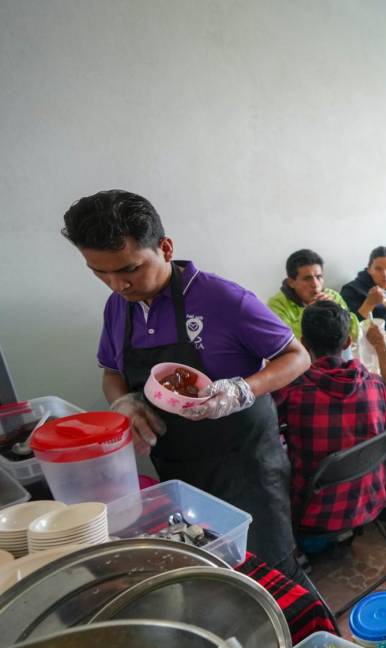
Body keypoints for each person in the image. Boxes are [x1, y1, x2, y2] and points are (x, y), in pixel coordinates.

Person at [63, 190, 311, 586]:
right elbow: (111, 370)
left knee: (271, 572)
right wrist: (122, 401)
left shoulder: (223, 299)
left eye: (129, 268)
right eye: (99, 272)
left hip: (245, 465)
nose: (117, 285)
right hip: (180, 470)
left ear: (165, 247)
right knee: (212, 574)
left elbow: (297, 357)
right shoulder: (118, 308)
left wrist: (241, 390)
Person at [275, 300, 386, 540]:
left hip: (313, 511)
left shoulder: (293, 390)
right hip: (371, 496)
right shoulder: (376, 384)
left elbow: (267, 431)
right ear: (347, 342)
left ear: (302, 342)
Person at [267, 249, 358, 342]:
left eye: (319, 277)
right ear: (291, 282)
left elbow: (355, 335)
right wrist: (308, 315)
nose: (315, 284)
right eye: (307, 279)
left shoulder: (332, 296)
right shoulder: (276, 305)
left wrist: (339, 312)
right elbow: (288, 343)